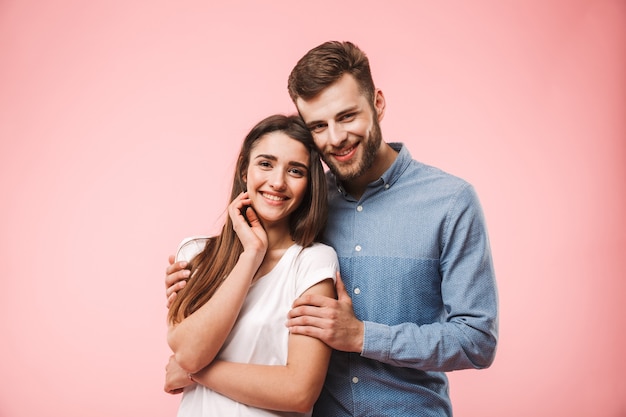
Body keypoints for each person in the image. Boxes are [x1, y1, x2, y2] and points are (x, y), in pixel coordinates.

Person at [166, 41, 498, 417]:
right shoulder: (301, 202)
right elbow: (258, 267)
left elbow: (476, 340)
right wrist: (201, 274)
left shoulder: (450, 202)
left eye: (347, 116)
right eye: (318, 126)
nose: (336, 138)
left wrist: (361, 336)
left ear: (378, 104)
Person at [164, 114, 339, 417]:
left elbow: (299, 391)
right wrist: (251, 255)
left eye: (295, 170)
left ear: (310, 184)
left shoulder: (313, 262)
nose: (277, 182)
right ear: (245, 168)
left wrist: (196, 373)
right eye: (266, 164)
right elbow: (191, 351)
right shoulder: (194, 253)